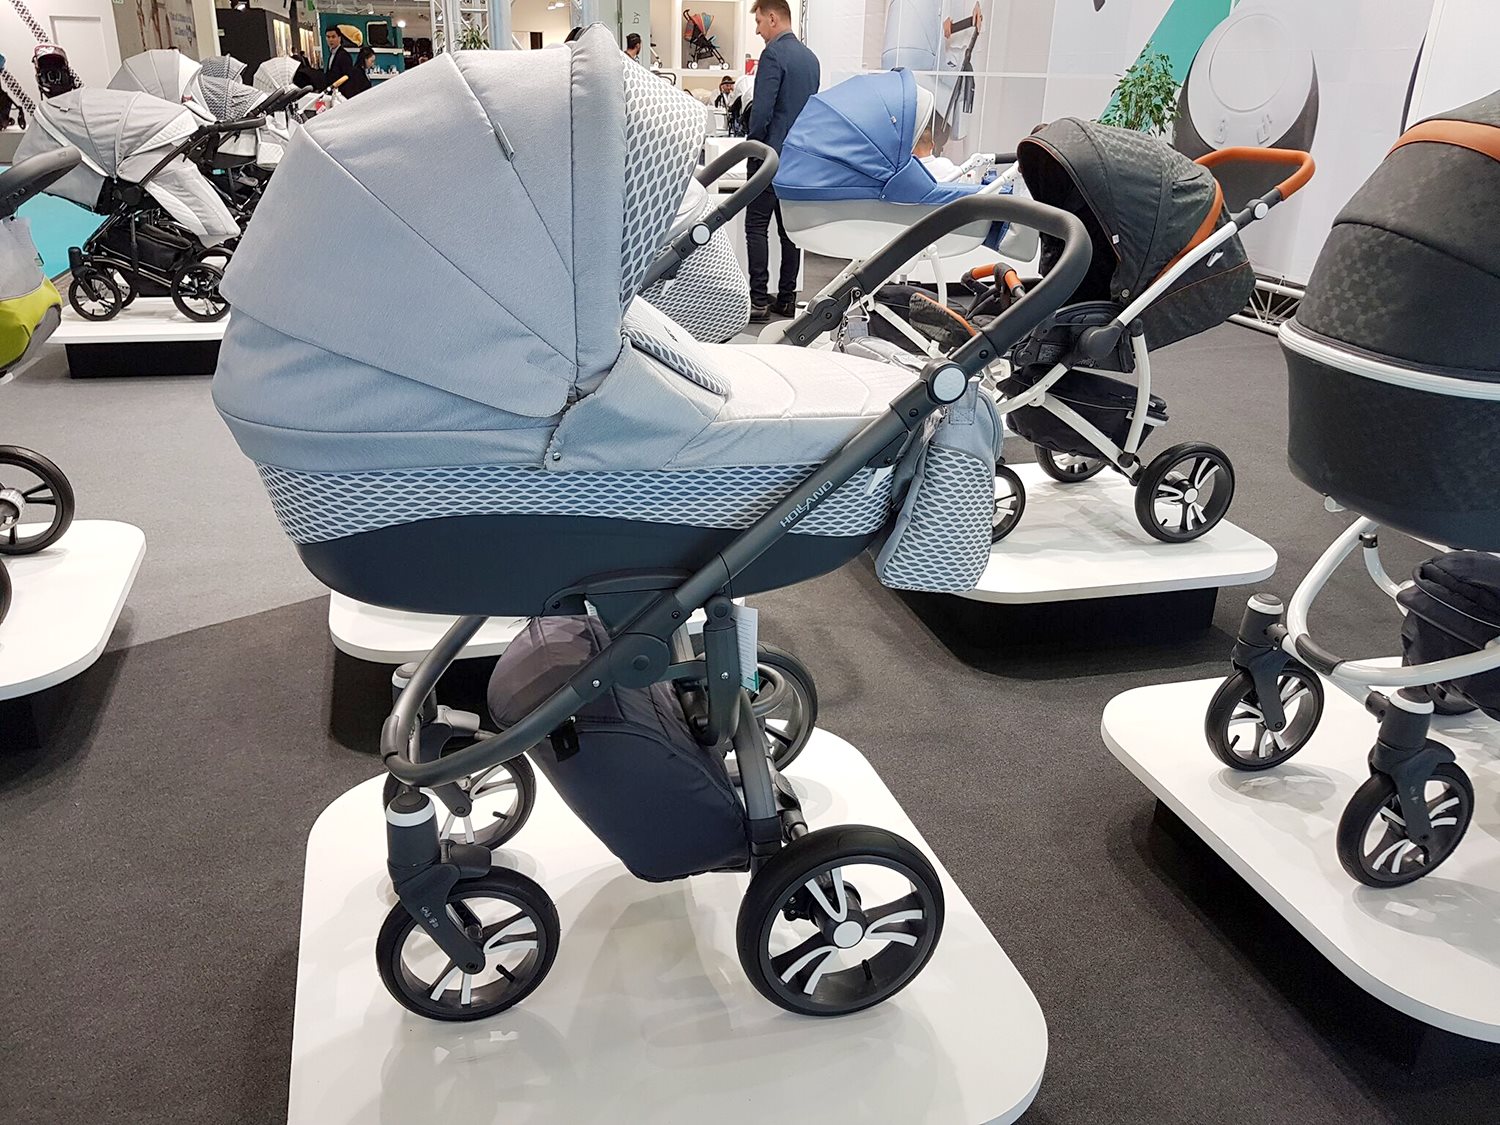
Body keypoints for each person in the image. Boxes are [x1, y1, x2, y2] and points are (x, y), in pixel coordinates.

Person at [744, 0, 819, 321]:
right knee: (789, 233)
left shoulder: (772, 55)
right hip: (799, 161)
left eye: (759, 22)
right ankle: (787, 299)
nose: (757, 30)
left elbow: (762, 112)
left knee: (756, 226)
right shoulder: (811, 60)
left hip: (770, 158)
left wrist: (752, 147)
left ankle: (759, 300)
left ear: (773, 18)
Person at [324, 28, 370, 96]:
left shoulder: (344, 55)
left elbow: (347, 77)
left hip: (341, 94)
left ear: (339, 38)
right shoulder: (332, 54)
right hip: (333, 92)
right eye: (328, 37)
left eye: (333, 37)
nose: (330, 40)